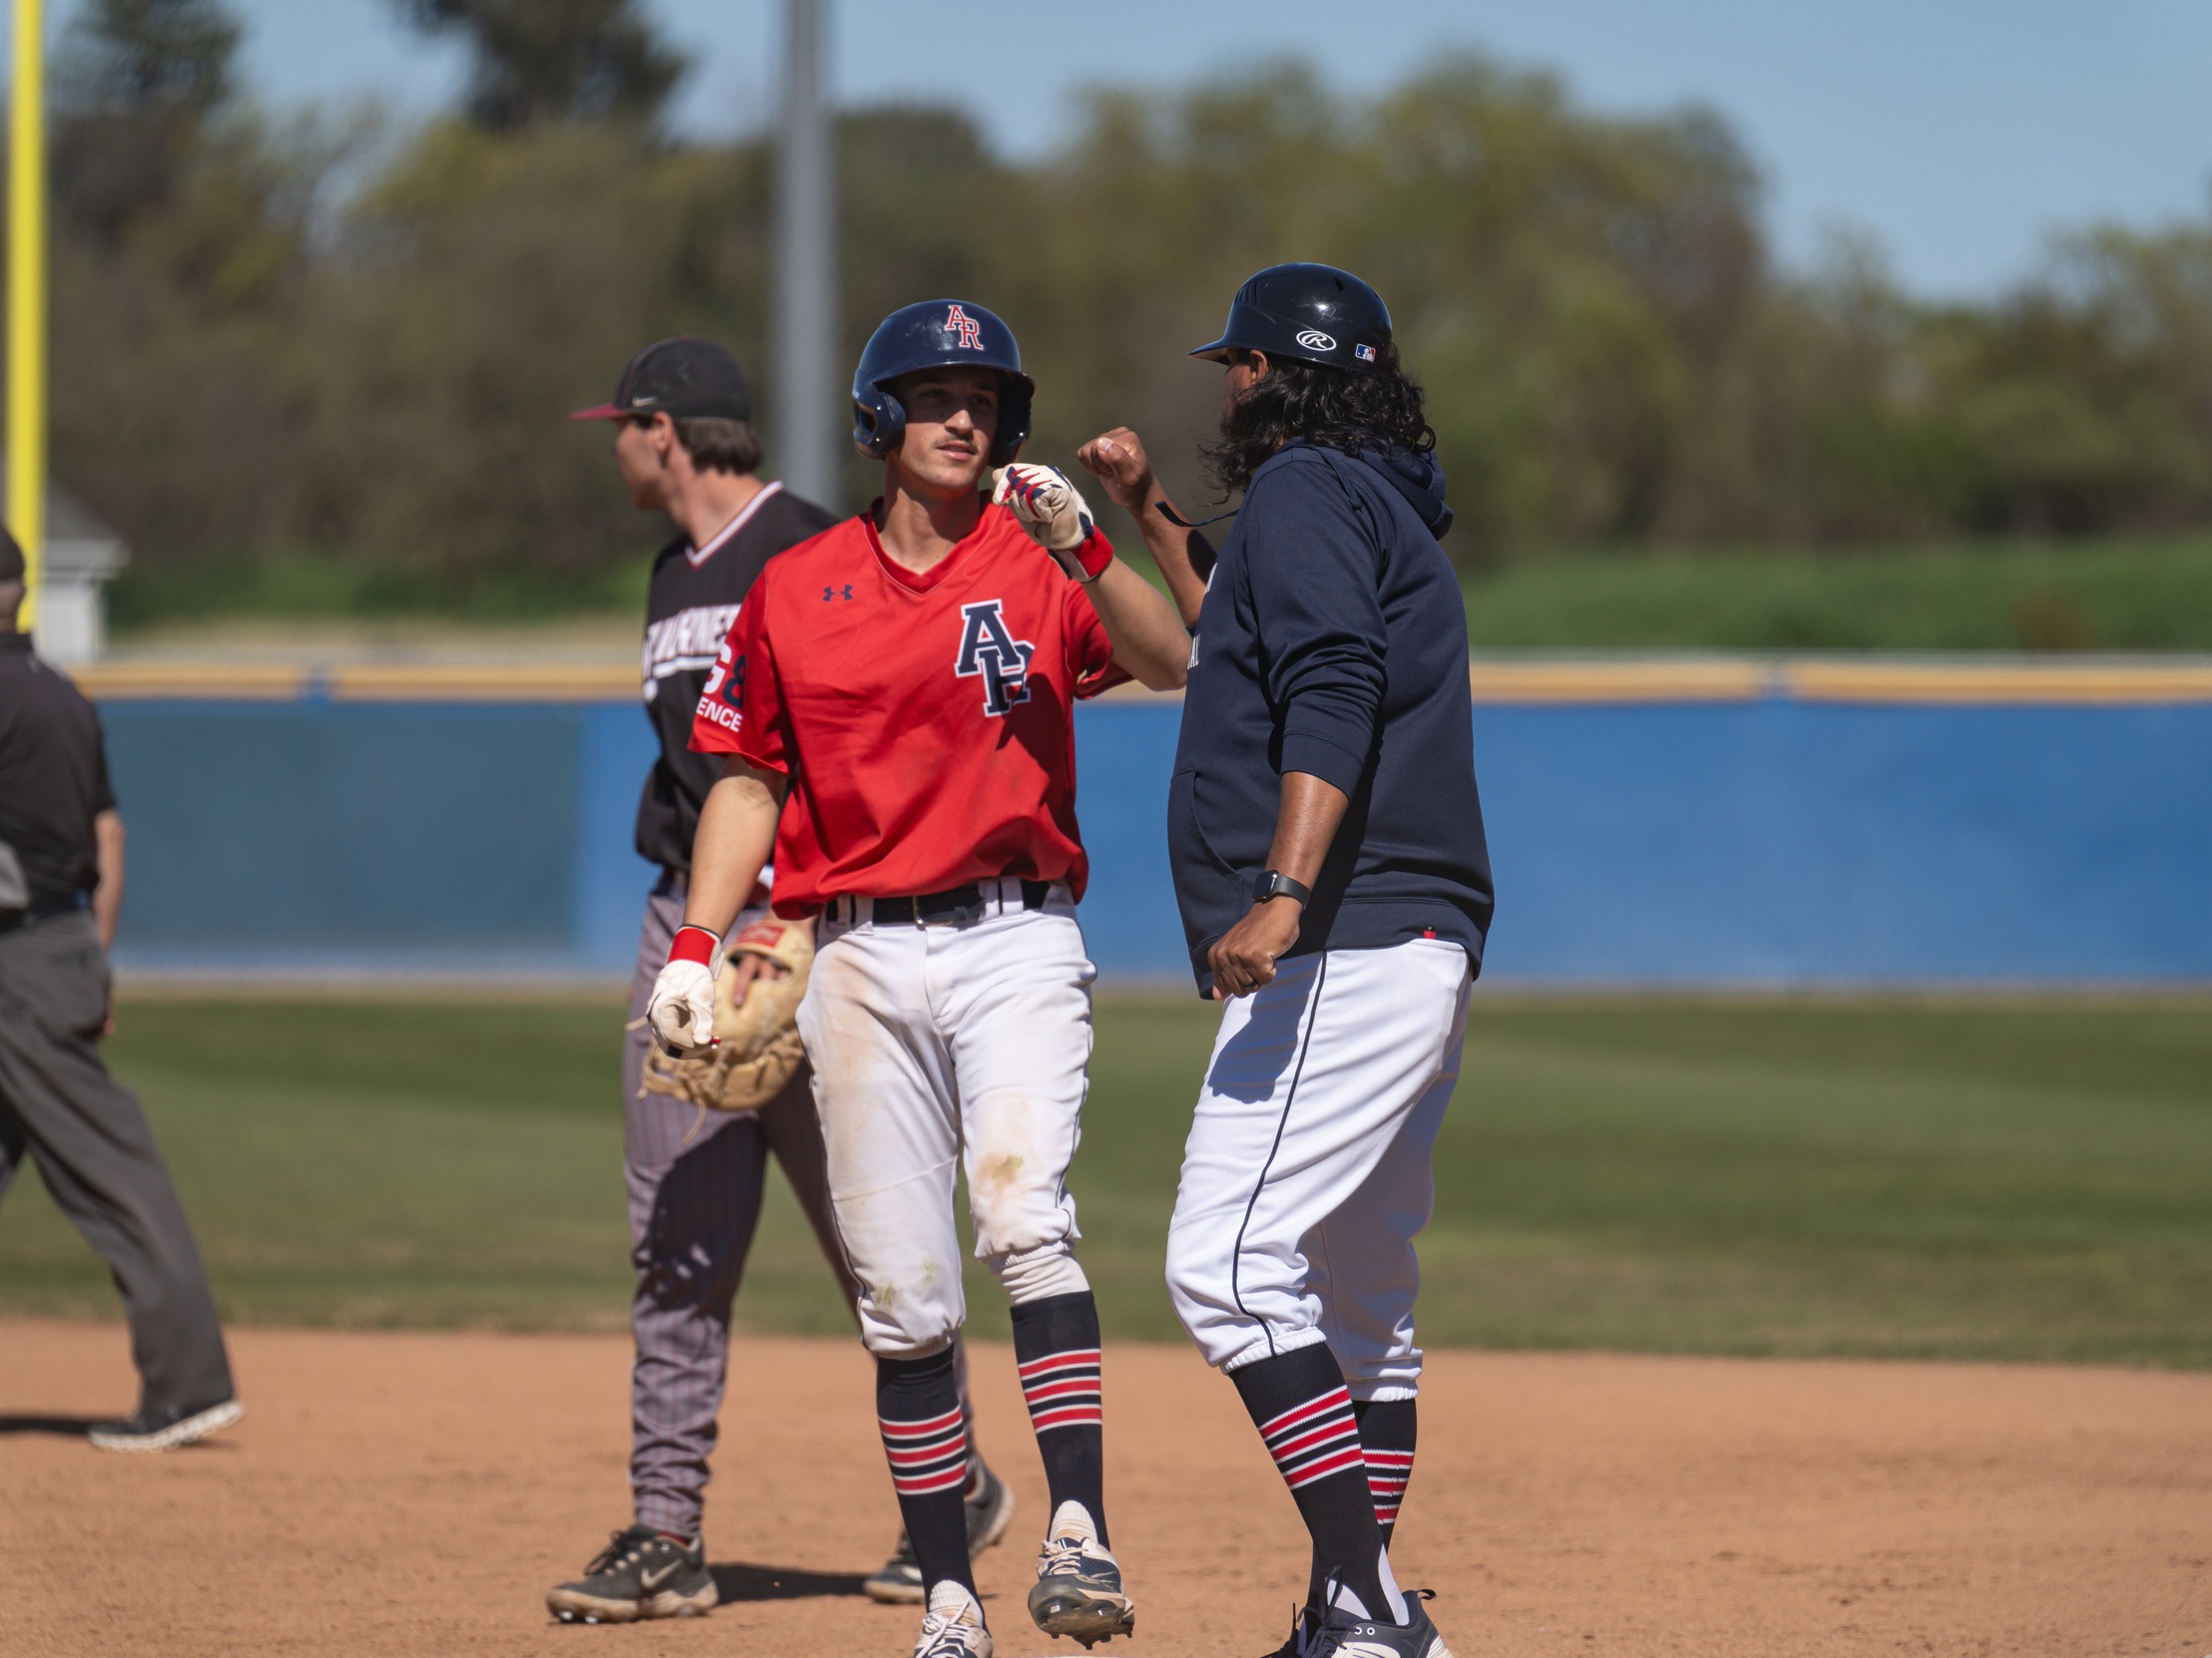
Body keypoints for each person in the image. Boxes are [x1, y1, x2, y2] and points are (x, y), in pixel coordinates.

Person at [649, 299, 1190, 1658]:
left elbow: (1168, 656)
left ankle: (1079, 1533)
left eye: (987, 395)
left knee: (1023, 1214)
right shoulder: (797, 585)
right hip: (859, 952)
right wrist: (696, 943)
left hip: (1015, 932)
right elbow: (747, 779)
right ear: (876, 420)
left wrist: (1088, 540)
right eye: (936, 391)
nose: (968, 416)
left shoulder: (1033, 554)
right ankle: (950, 1596)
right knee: (902, 1291)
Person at [546, 337, 1014, 1625]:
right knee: (678, 1233)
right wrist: (701, 933)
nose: (615, 448)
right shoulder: (667, 575)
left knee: (878, 1233)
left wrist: (794, 917)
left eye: (623, 426)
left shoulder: (815, 547)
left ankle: (952, 1490)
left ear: (665, 429)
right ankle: (665, 1528)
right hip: (687, 923)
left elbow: (866, 746)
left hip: (811, 925)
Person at [1079, 264, 1495, 1658]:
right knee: (1357, 1290)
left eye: (1237, 366)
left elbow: (1329, 679)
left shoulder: (1310, 490)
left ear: (1275, 376)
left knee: (1229, 1263)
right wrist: (1143, 515)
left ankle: (1372, 1601)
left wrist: (1280, 888)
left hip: (1345, 934)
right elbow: (1238, 631)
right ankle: (1349, 1618)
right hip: (1410, 935)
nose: (1226, 389)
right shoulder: (1365, 495)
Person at [0, 529, 242, 1452]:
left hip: (16, 964)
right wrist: (92, 961)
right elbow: (110, 838)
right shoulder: (64, 698)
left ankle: (188, 1384)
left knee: (113, 1175)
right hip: (58, 945)